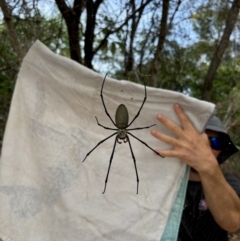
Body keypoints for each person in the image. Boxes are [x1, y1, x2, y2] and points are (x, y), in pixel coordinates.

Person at [151, 104, 240, 241]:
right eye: (197, 142)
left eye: (215, 142)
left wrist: (207, 164)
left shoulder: (228, 182)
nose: (202, 148)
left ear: (221, 150)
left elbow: (233, 222)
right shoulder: (162, 181)